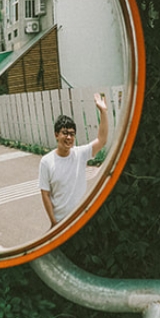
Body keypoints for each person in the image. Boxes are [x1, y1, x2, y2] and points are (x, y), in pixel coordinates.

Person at [40, 92, 109, 227]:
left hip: (83, 218)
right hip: (61, 222)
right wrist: (54, 222)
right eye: (65, 133)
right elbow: (45, 194)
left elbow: (102, 140)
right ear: (56, 135)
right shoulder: (46, 161)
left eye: (72, 134)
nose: (69, 138)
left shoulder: (80, 154)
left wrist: (104, 112)